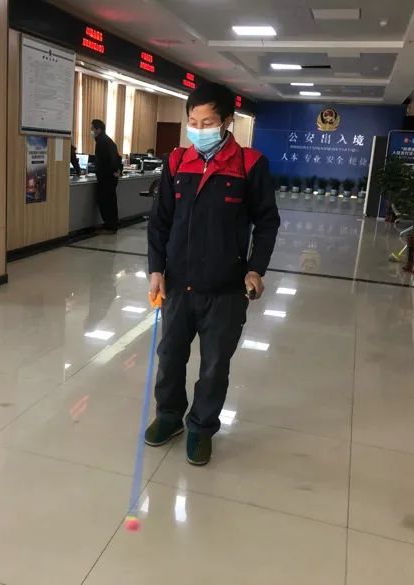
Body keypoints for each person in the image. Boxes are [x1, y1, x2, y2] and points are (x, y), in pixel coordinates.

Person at [146, 83, 280, 466]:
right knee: (170, 357)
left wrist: (255, 268)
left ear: (227, 122)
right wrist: (156, 269)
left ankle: (201, 428)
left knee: (214, 366)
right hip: (178, 286)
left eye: (207, 122)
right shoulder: (177, 162)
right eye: (193, 121)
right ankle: (169, 416)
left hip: (225, 290)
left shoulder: (249, 164)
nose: (199, 129)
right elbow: (159, 222)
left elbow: (267, 222)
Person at [90, 119, 121, 234]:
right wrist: (117, 171)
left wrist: (113, 171)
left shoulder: (102, 142)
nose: (91, 131)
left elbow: (110, 160)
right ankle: (111, 225)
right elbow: (117, 158)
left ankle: (110, 227)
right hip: (110, 177)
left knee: (106, 202)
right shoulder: (107, 140)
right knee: (110, 202)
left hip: (106, 178)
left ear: (98, 129)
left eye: (92, 129)